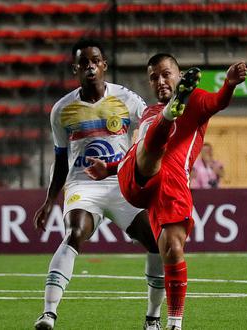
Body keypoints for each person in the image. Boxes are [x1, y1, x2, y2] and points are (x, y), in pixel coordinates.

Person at [85, 54, 247, 330]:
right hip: (133, 178)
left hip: (169, 185)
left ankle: (174, 323)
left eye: (166, 74)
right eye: (153, 77)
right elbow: (137, 153)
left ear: (179, 74)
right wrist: (110, 168)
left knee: (171, 250)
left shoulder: (195, 100)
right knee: (152, 142)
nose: (159, 81)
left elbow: (217, 101)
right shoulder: (147, 113)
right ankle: (169, 116)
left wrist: (229, 84)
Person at [33, 39, 165, 330]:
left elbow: (149, 134)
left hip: (121, 184)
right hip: (83, 186)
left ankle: (153, 319)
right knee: (75, 233)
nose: (90, 66)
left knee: (156, 242)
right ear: (75, 68)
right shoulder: (61, 110)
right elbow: (61, 160)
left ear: (104, 65)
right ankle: (48, 314)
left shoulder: (127, 99)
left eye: (95, 60)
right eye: (84, 62)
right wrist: (49, 201)